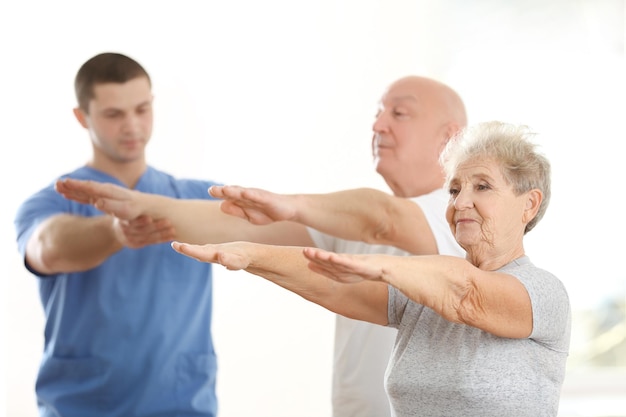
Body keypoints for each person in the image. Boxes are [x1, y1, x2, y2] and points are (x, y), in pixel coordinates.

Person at [53, 75, 468, 416]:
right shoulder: (350, 224)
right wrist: (141, 204)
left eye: (399, 113)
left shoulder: (462, 216)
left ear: (451, 137)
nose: (378, 125)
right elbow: (233, 225)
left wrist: (295, 205)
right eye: (378, 113)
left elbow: (381, 219)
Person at [171, 121, 572, 417]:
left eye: (482, 186)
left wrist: (374, 265)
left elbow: (466, 294)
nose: (460, 202)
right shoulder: (423, 296)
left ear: (529, 204)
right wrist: (251, 255)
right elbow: (335, 288)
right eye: (454, 189)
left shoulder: (542, 293)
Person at [14, 52, 224, 416]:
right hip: (83, 406)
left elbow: (286, 228)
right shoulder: (53, 201)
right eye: (114, 114)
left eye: (142, 109)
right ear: (83, 117)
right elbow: (47, 247)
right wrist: (114, 232)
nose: (132, 126)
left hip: (181, 403)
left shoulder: (195, 198)